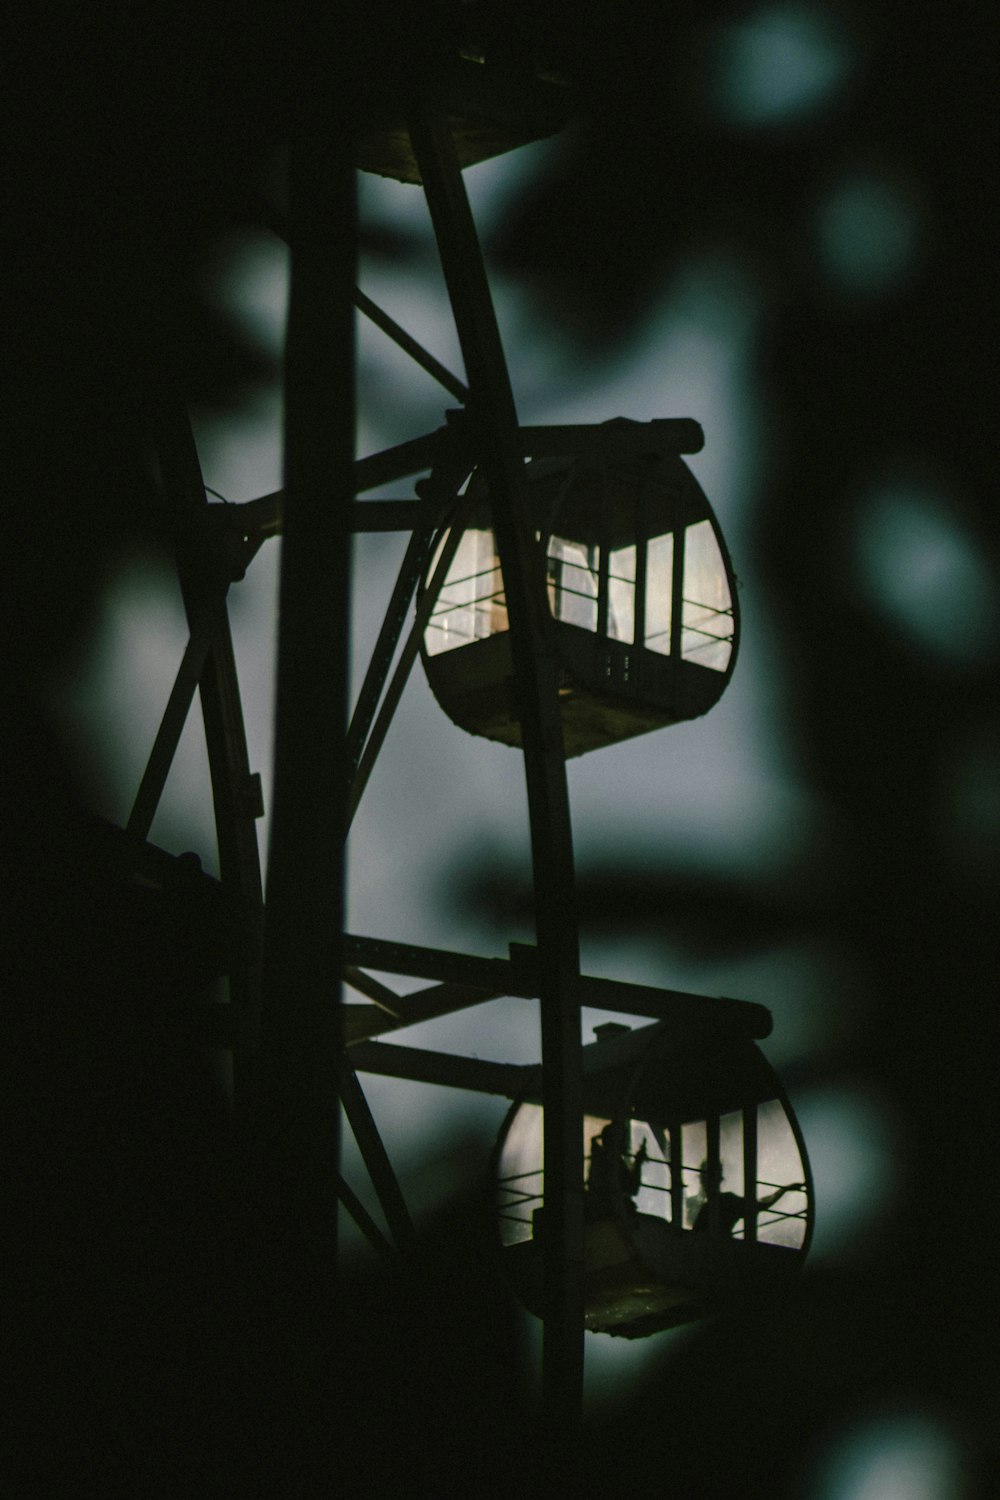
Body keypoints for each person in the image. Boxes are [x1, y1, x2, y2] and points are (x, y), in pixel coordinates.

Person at [691, 1158, 805, 1236]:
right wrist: (784, 1189)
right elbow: (760, 1204)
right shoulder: (726, 1201)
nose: (704, 1183)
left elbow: (759, 1204)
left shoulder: (725, 1202)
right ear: (720, 1179)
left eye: (705, 1178)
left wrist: (784, 1189)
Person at [585, 1121, 648, 1220]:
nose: (627, 1143)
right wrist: (638, 1163)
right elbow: (632, 1188)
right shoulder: (612, 1162)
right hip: (609, 1213)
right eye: (624, 1139)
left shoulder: (601, 1157)